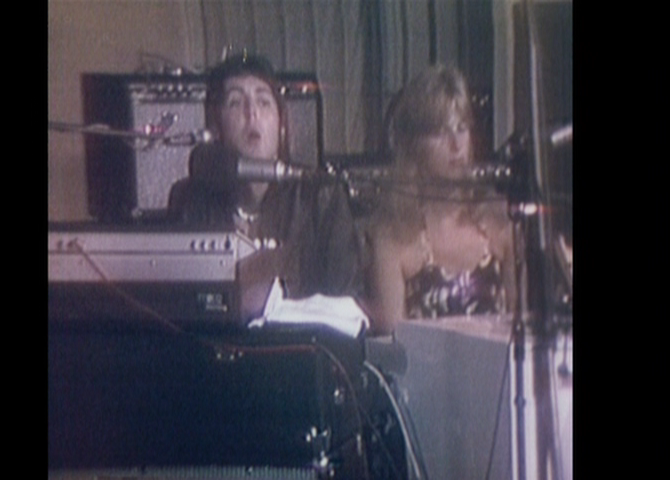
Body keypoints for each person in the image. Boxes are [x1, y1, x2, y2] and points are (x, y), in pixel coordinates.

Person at [168, 53, 360, 320]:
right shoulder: (189, 199)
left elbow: (345, 304)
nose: (252, 113)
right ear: (215, 127)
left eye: (263, 101)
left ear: (281, 124)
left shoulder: (322, 198)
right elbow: (182, 306)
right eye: (236, 102)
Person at [363, 65, 515, 335]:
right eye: (441, 132)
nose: (456, 145)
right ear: (413, 144)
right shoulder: (392, 237)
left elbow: (525, 332)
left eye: (461, 128)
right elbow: (392, 345)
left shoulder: (500, 222)